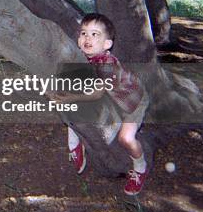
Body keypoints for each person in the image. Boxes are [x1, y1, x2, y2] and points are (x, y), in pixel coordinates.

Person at [52, 13, 149, 195]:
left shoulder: (107, 64)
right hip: (112, 97)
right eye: (83, 33)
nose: (87, 38)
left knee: (126, 138)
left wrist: (71, 98)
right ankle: (75, 142)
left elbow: (96, 93)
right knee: (77, 105)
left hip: (133, 101)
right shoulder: (83, 56)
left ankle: (140, 167)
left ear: (107, 44)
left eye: (95, 34)